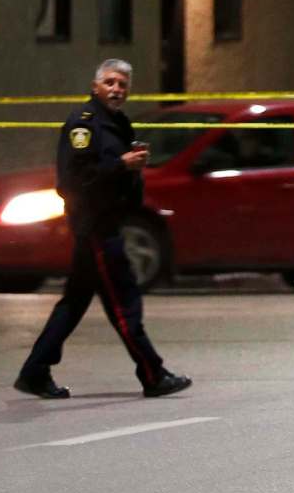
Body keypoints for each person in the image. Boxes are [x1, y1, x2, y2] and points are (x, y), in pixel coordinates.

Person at [13, 59, 192, 399]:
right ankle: (153, 373)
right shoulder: (84, 126)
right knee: (125, 303)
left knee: (75, 302)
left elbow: (120, 179)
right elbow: (72, 181)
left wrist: (134, 167)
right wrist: (119, 164)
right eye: (110, 82)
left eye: (123, 84)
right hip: (95, 226)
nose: (117, 90)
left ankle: (34, 371)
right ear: (95, 86)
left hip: (108, 223)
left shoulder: (118, 124)